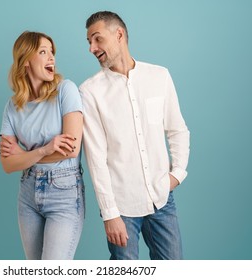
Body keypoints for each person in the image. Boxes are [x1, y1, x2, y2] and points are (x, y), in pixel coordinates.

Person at [79, 11, 190, 260]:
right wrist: (109, 214)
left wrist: (177, 174)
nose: (92, 48)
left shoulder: (159, 76)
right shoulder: (90, 91)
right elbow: (96, 158)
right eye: (88, 42)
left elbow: (177, 129)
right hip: (122, 209)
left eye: (97, 39)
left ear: (119, 34)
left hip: (161, 199)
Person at [0, 31, 84, 260]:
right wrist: (45, 150)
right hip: (28, 194)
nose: (51, 58)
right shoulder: (12, 106)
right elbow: (7, 164)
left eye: (52, 52)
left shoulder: (66, 90)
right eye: (43, 52)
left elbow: (72, 149)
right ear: (26, 61)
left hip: (64, 194)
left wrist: (24, 156)